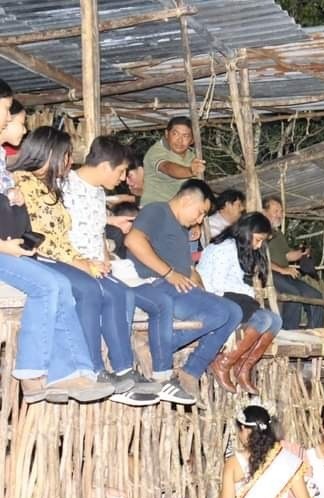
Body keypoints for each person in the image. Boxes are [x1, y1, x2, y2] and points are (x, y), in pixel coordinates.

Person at [13, 129, 160, 406]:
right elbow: (48, 238)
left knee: (122, 293)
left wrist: (104, 258)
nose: (69, 162)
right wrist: (81, 262)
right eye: (67, 156)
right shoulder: (50, 185)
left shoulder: (63, 188)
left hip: (76, 258)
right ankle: (91, 368)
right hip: (55, 259)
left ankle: (123, 369)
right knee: (91, 291)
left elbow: (90, 231)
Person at [0, 80, 115, 404]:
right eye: (9, 111)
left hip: (14, 248)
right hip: (7, 250)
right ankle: (31, 373)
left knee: (60, 285)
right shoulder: (22, 175)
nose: (12, 121)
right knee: (51, 286)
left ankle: (73, 372)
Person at [125, 179, 243, 401]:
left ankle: (191, 371)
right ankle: (157, 344)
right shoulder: (157, 211)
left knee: (234, 312)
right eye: (200, 213)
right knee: (217, 313)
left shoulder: (180, 229)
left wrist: (205, 292)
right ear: (187, 199)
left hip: (179, 286)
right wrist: (169, 273)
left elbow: (187, 269)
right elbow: (133, 240)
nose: (199, 220)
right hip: (156, 283)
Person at [197, 212, 282, 394]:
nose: (258, 245)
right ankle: (224, 362)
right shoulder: (224, 248)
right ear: (247, 231)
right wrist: (246, 293)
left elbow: (236, 283)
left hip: (228, 296)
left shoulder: (236, 248)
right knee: (263, 320)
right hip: (211, 297)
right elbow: (216, 285)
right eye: (257, 239)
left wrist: (246, 292)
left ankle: (243, 368)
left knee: (276, 321)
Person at [263, 195, 324, 330]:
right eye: (276, 211)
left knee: (316, 296)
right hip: (269, 273)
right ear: (264, 212)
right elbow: (260, 259)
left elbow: (287, 255)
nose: (280, 215)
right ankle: (290, 331)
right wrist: (282, 270)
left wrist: (301, 253)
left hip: (285, 274)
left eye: (281, 211)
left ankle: (316, 332)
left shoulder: (278, 234)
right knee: (293, 294)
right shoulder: (259, 231)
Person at [140, 116, 206, 205]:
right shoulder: (157, 151)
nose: (179, 140)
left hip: (179, 211)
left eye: (185, 136)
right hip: (155, 209)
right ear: (167, 134)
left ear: (192, 140)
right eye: (175, 134)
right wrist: (190, 170)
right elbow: (167, 168)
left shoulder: (193, 156)